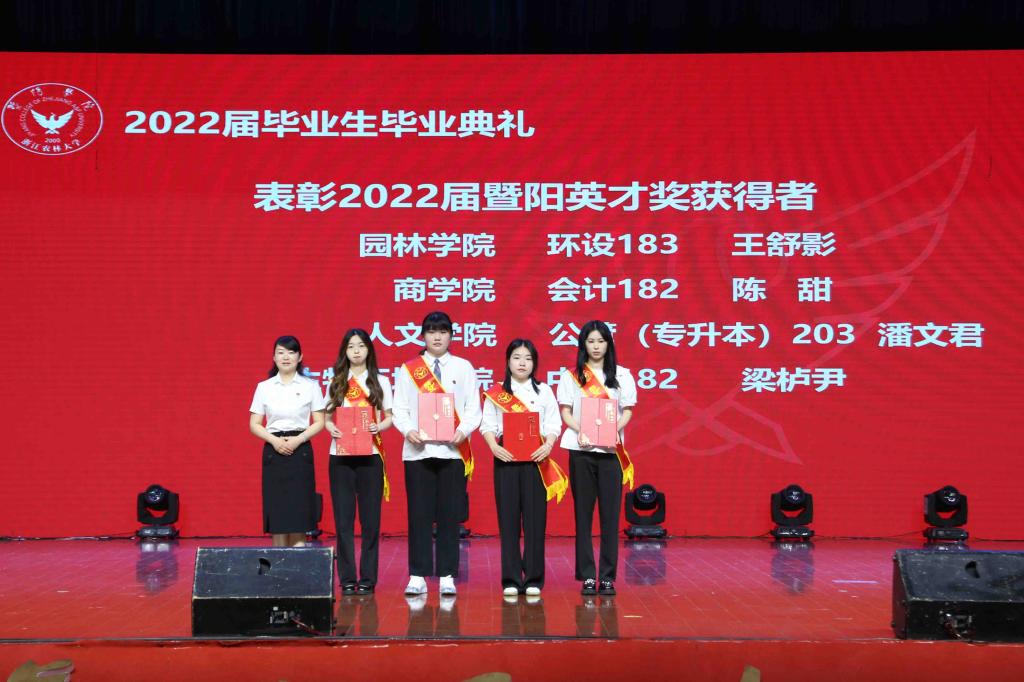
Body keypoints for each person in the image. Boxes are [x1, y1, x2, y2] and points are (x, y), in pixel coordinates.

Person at [392, 311, 481, 597]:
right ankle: (417, 575)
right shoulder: (409, 369)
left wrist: (463, 431)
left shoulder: (464, 367)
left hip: (453, 452)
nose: (437, 337)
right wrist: (408, 430)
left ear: (451, 335)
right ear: (423, 336)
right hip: (417, 452)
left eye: (443, 331)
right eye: (431, 331)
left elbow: (473, 408)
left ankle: (447, 575)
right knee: (418, 514)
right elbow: (399, 408)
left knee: (449, 516)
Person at [481, 339, 566, 598]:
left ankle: (533, 579)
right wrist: (493, 447)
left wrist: (548, 445)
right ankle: (510, 578)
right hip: (505, 457)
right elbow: (487, 425)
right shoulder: (497, 392)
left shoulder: (544, 391)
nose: (522, 363)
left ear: (534, 363)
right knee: (508, 520)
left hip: (536, 459)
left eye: (528, 358)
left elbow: (553, 423)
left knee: (535, 521)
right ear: (508, 361)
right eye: (517, 357)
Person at [557, 320, 637, 596]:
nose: (596, 346)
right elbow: (565, 412)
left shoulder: (623, 375)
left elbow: (628, 410)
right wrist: (582, 430)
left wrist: (614, 429)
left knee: (610, 517)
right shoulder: (571, 376)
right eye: (590, 341)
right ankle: (588, 576)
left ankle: (607, 576)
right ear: (583, 345)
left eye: (601, 341)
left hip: (611, 453)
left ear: (608, 344)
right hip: (581, 451)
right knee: (583, 515)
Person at [324, 329, 393, 595]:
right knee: (343, 521)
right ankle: (347, 578)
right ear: (345, 351)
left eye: (361, 346)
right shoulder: (336, 381)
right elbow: (326, 417)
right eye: (351, 346)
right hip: (340, 457)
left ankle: (368, 578)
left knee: (370, 521)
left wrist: (379, 427)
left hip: (370, 456)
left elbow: (390, 416)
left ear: (369, 350)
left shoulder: (380, 381)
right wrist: (331, 427)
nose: (356, 351)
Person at [248, 335, 325, 547]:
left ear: (300, 357)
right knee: (279, 512)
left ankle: (299, 559)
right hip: (274, 451)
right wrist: (275, 441)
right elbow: (254, 424)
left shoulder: (311, 386)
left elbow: (319, 421)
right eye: (281, 352)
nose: (286, 357)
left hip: (300, 450)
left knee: (299, 511)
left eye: (291, 352)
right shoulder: (264, 387)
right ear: (274, 357)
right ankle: (279, 561)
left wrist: (298, 440)